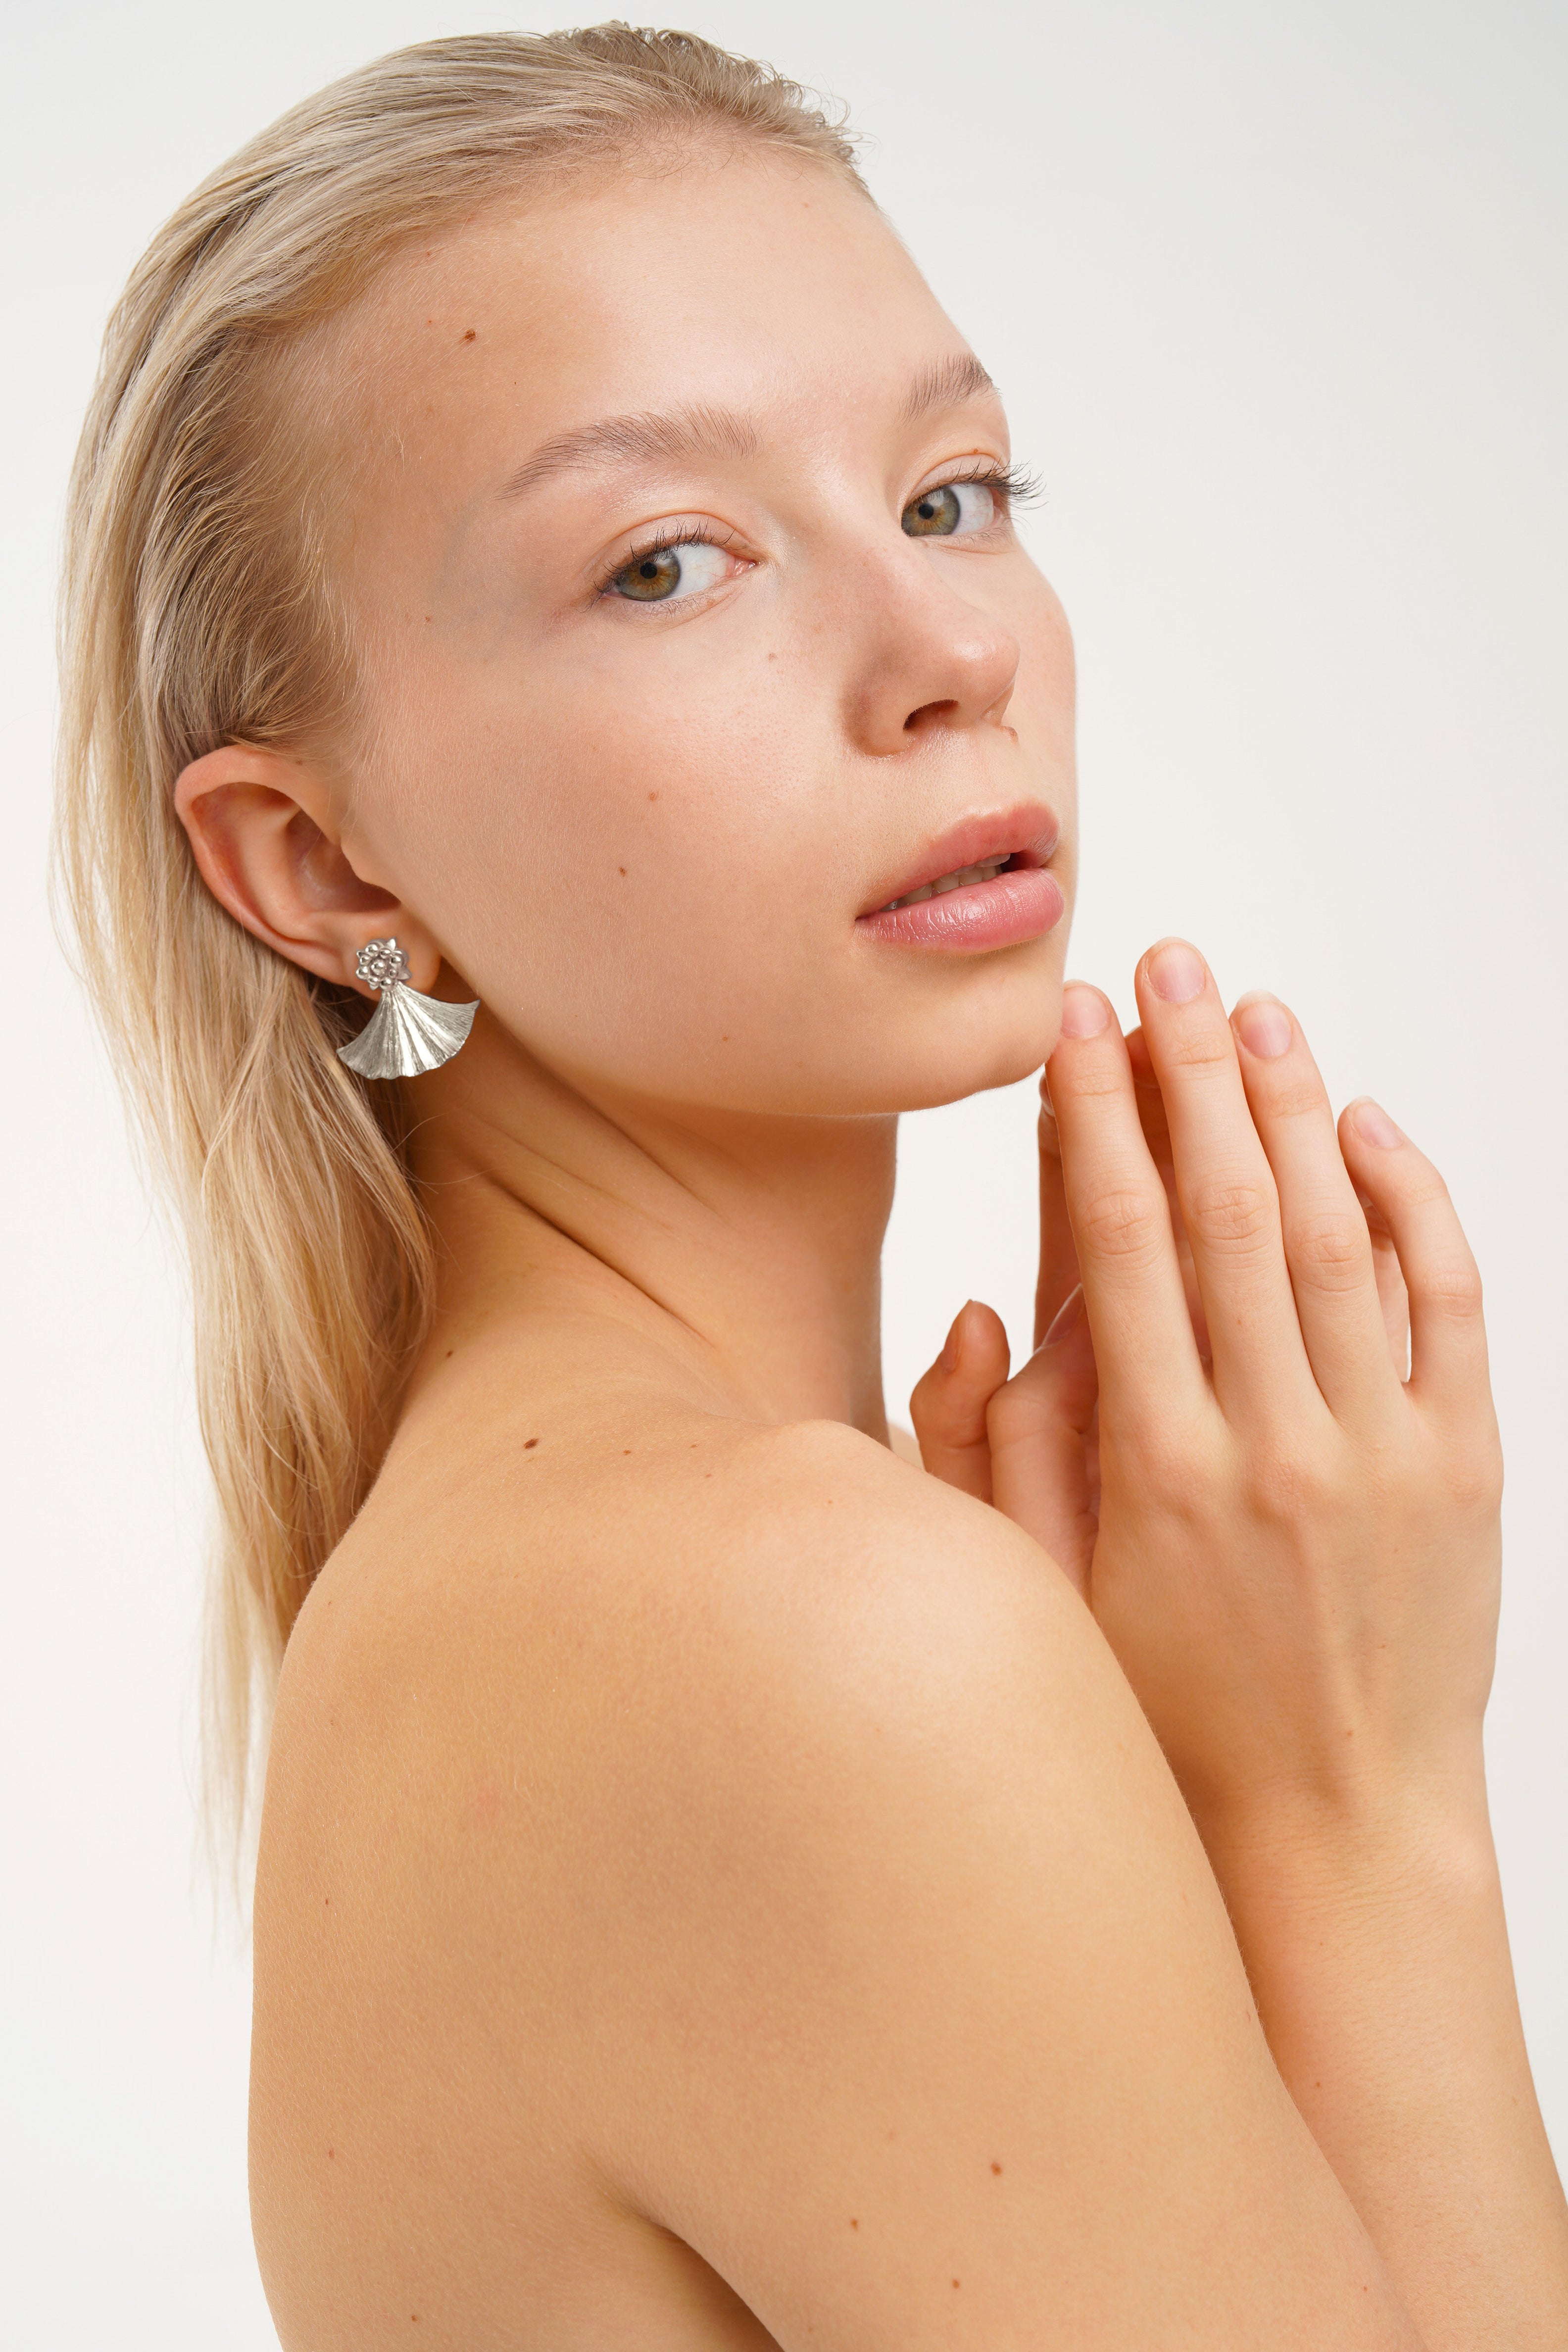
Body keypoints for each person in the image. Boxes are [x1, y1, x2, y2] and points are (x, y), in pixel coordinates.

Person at [53, 25, 1568, 2350]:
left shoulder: (503, 1592)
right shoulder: (805, 1632)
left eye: (954, 494)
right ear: (323, 866)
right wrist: (1349, 1808)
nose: (955, 650)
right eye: (668, 564)